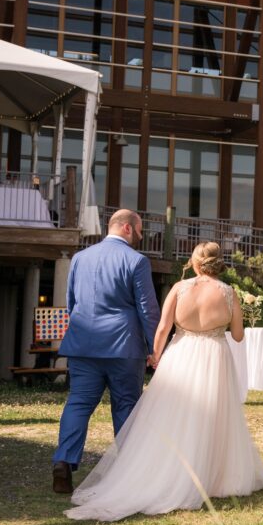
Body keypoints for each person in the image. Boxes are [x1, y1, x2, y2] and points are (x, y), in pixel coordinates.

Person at [65, 242, 263, 521]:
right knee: (211, 416)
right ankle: (212, 477)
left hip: (181, 354)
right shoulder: (228, 292)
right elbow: (237, 336)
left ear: (196, 262)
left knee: (171, 416)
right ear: (218, 262)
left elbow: (162, 327)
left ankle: (166, 471)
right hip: (213, 356)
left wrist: (155, 355)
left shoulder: (179, 288)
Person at [52, 209, 160, 494]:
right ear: (127, 228)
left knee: (78, 403)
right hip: (123, 346)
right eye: (139, 230)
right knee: (125, 405)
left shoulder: (80, 258)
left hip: (83, 343)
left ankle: (63, 461)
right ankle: (127, 471)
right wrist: (156, 347)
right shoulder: (137, 261)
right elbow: (147, 309)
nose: (141, 236)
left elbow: (71, 301)